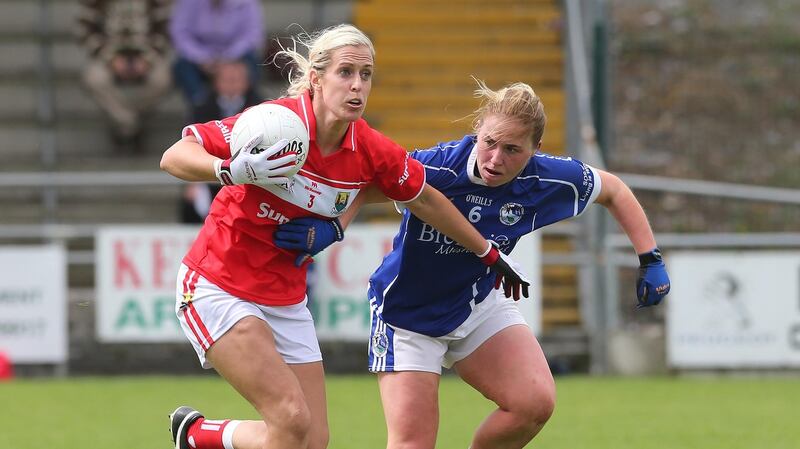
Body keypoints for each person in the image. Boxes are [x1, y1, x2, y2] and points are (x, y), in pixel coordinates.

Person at [159, 25, 529, 449]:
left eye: (366, 75)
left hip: (285, 299)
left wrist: (485, 251)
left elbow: (424, 199)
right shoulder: (275, 123)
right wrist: (230, 170)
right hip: (217, 284)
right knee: (291, 419)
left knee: (310, 441)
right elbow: (175, 156)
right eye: (346, 72)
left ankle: (199, 437)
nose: (357, 85)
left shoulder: (370, 149)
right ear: (316, 79)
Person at [273, 80, 671, 449]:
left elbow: (614, 190)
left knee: (534, 404)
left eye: (512, 150)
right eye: (489, 142)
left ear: (536, 148)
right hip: (407, 317)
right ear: (478, 129)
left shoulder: (551, 179)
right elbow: (366, 183)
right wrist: (333, 228)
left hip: (477, 304)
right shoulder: (437, 166)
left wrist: (649, 258)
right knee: (413, 442)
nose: (495, 159)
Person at [77, 0, 172, 151]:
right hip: (108, 57)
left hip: (146, 56)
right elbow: (84, 30)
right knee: (94, 78)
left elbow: (165, 29)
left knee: (162, 79)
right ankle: (131, 126)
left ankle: (124, 126)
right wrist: (110, 59)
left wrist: (147, 59)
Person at [179, 61, 261, 224]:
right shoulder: (201, 107)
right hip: (209, 170)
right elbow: (189, 143)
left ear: (247, 82)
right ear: (216, 82)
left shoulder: (261, 108)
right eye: (227, 79)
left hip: (248, 173)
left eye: (236, 79)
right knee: (192, 202)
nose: (231, 84)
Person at [169, 0, 264, 108]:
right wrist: (203, 58)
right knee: (182, 66)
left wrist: (227, 58)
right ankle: (200, 108)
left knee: (252, 62)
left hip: (235, 56)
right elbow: (180, 34)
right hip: (199, 58)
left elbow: (252, 35)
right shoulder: (188, 2)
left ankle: (249, 108)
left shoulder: (247, 2)